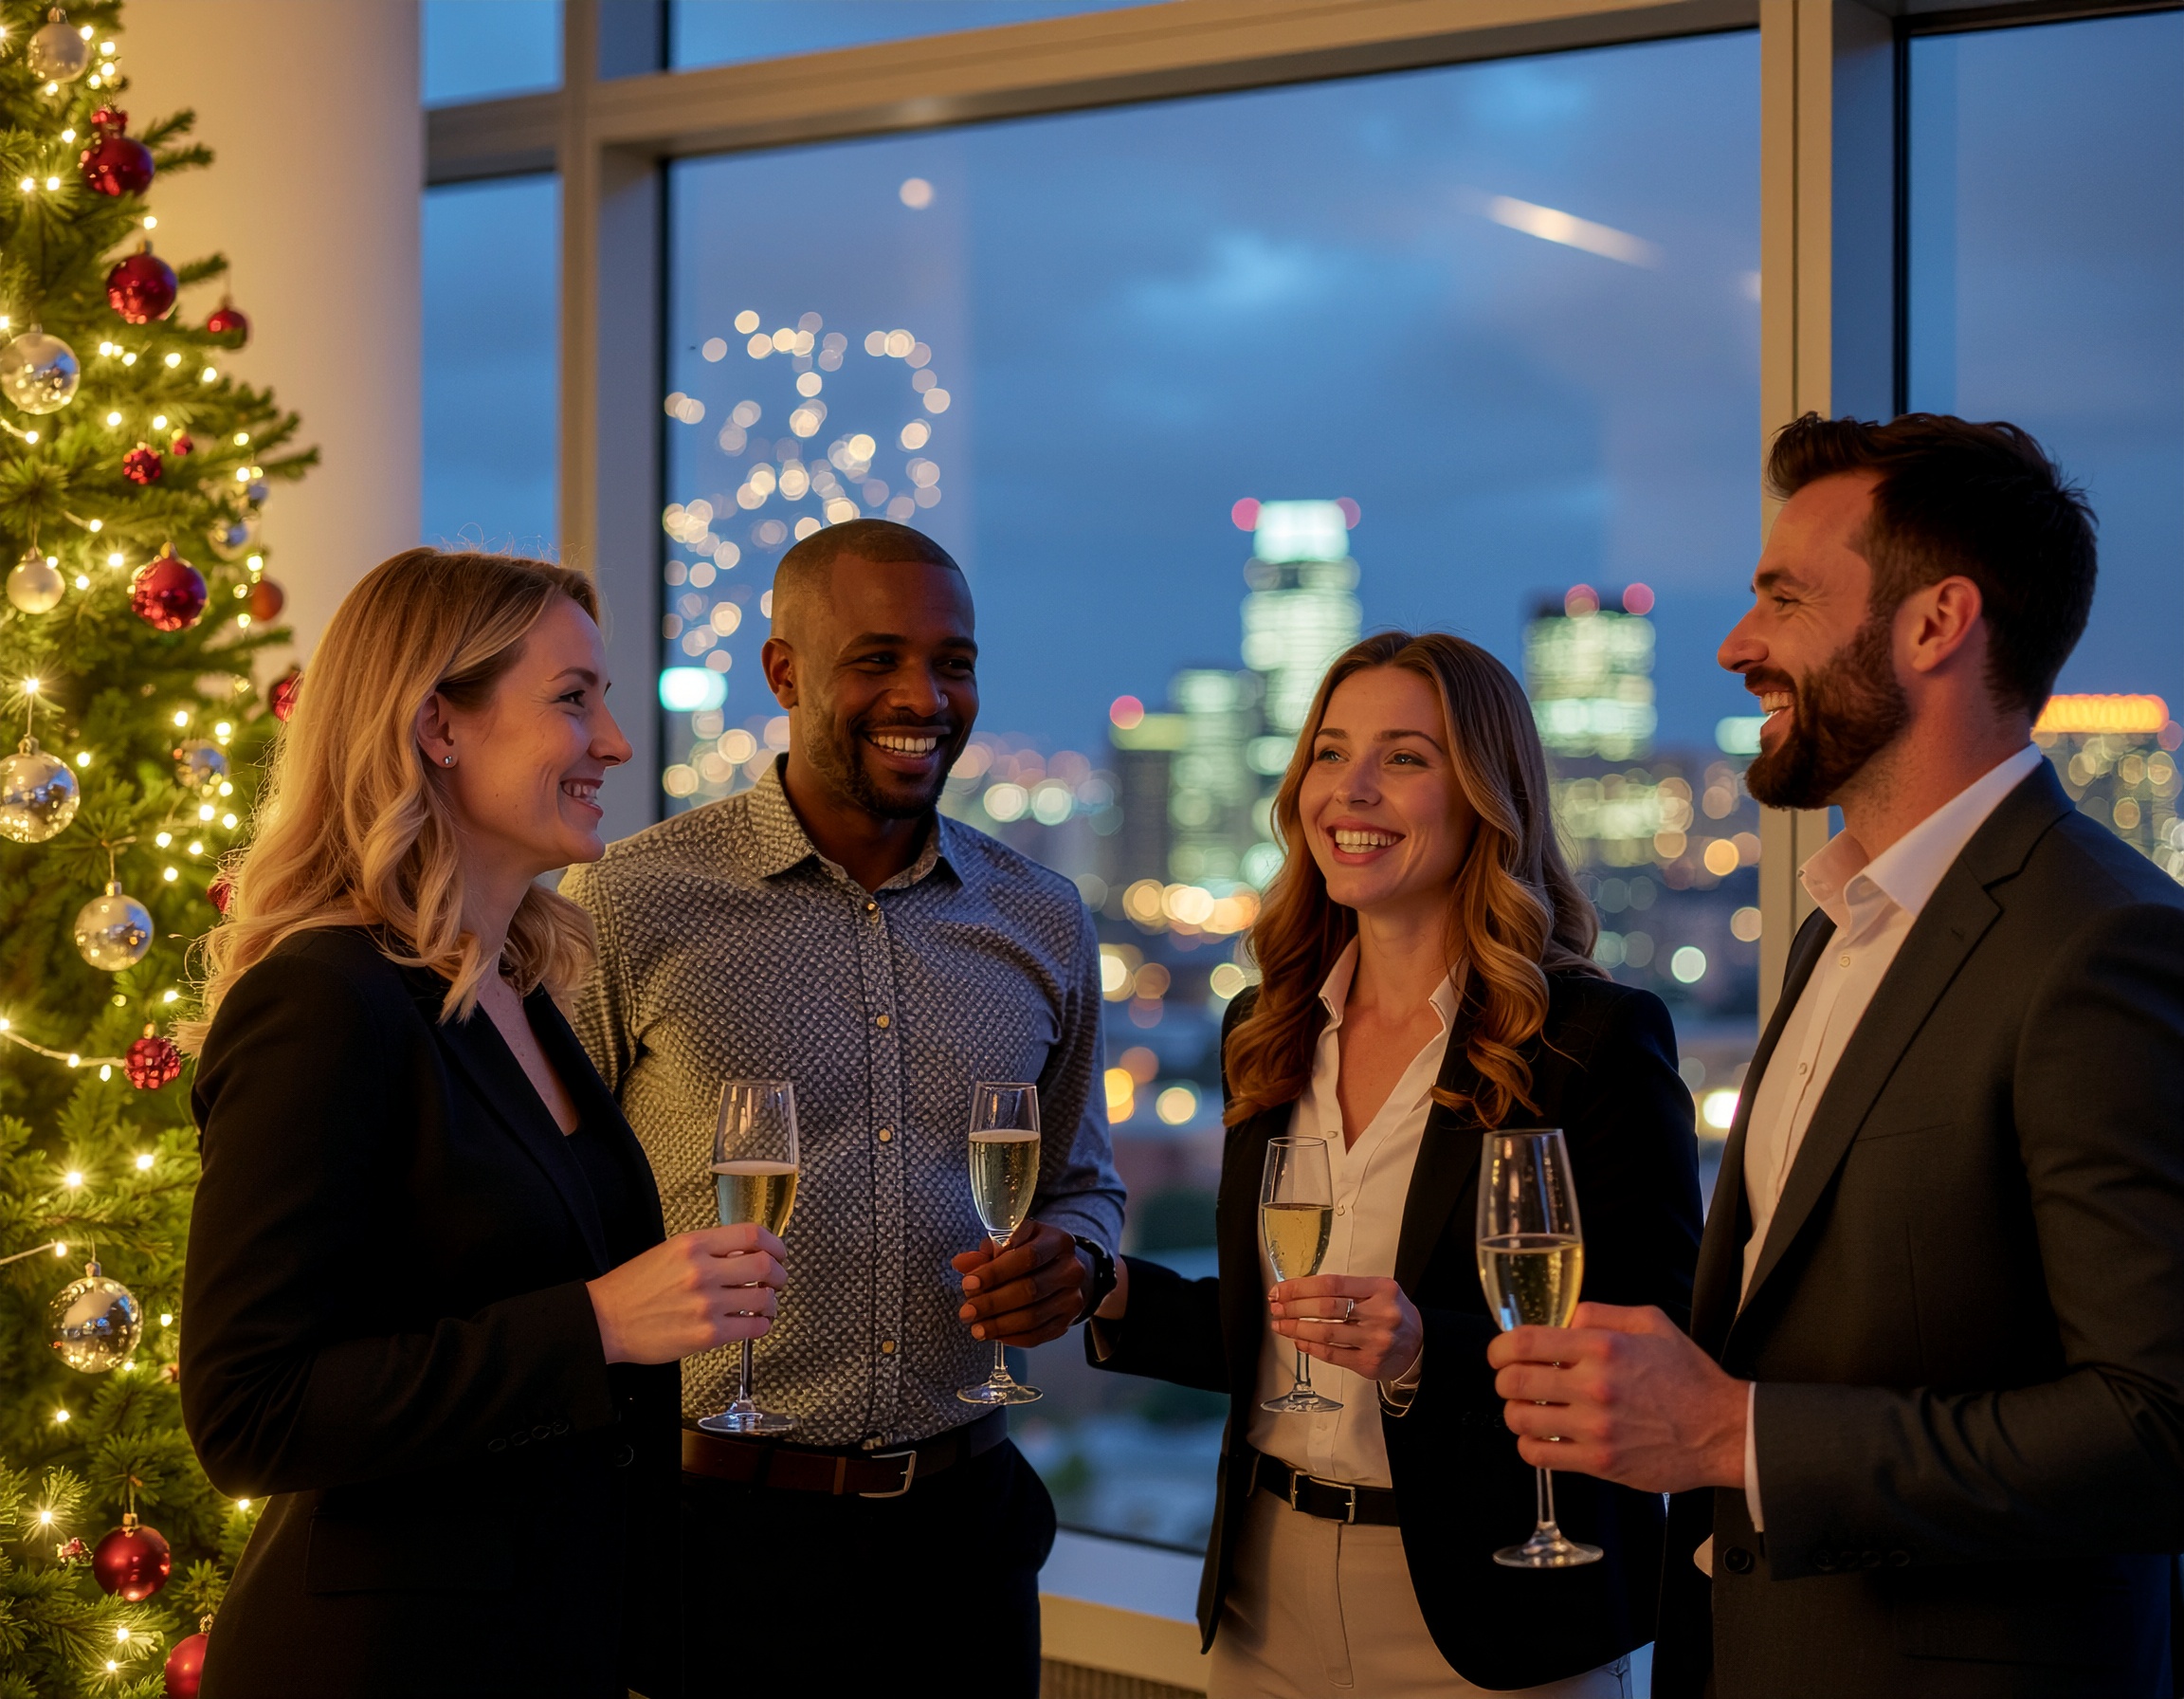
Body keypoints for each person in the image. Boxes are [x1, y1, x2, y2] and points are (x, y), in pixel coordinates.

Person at [1485, 413, 2184, 1697]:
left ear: (1936, 624)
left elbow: (2157, 1428)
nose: (1736, 646)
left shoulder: (2105, 941)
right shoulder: (1840, 923)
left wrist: (1732, 1433)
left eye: (1783, 598)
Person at [180, 549, 787, 1699]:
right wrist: (597, 1323)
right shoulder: (322, 996)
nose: (613, 740)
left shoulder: (513, 985)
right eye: (573, 698)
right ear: (436, 728)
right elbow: (247, 1413)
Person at [560, 519, 1122, 1698]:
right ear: (784, 673)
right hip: (702, 1539)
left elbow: (1081, 1176)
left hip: (964, 1539)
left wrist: (1078, 1253)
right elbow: (548, 1199)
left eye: (953, 662)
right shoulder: (628, 902)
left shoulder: (1043, 916)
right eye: (876, 659)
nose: (923, 695)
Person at [1083, 630, 1702, 1699]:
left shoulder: (1591, 1041)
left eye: (1406, 757)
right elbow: (1286, 1337)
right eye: (1329, 752)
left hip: (1489, 1611)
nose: (1351, 789)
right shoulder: (1267, 1029)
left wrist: (1427, 1353)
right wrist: (1110, 1295)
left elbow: (1657, 1336)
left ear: (1486, 795)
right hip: (1263, 1594)